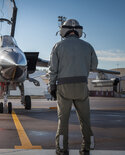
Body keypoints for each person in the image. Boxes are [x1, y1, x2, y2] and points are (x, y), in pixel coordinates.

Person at [49, 19, 98, 155]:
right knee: (85, 120)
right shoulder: (88, 46)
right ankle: (87, 148)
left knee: (63, 121)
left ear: (64, 30)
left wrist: (52, 86)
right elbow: (94, 66)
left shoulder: (58, 46)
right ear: (78, 31)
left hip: (64, 87)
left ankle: (62, 149)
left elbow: (53, 69)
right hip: (81, 86)